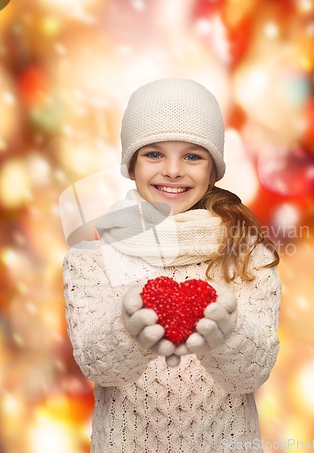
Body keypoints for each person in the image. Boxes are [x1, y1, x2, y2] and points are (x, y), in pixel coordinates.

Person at [63, 78, 281, 452]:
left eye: (192, 156)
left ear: (213, 168)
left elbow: (253, 373)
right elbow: (96, 366)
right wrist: (128, 329)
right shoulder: (91, 259)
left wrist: (227, 332)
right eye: (154, 154)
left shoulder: (247, 255)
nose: (173, 171)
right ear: (130, 165)